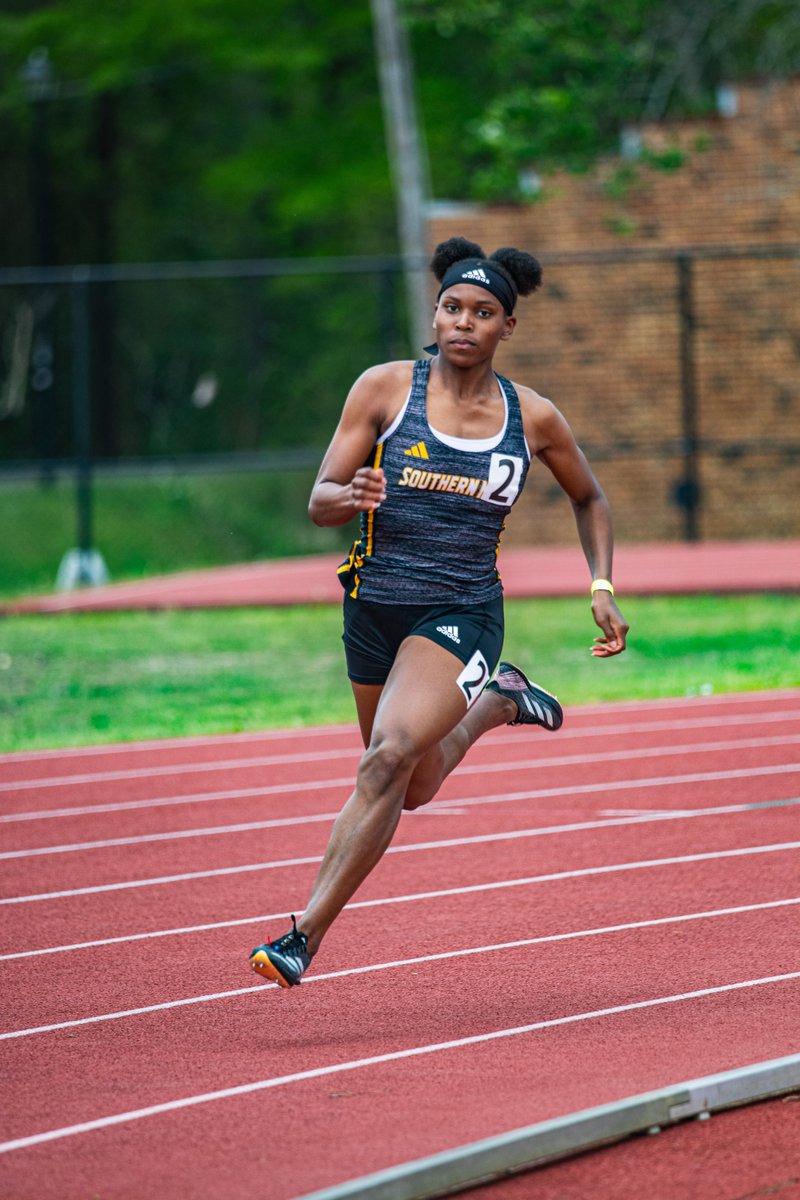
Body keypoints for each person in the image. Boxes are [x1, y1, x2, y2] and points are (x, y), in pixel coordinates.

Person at [249, 235, 629, 988]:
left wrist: (602, 585)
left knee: (385, 757)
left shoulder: (535, 417)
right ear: (436, 311)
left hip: (461, 611)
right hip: (373, 607)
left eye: (482, 312)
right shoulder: (386, 390)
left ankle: (303, 936)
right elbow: (320, 498)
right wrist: (348, 495)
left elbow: (590, 497)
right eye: (452, 307)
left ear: (506, 327)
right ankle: (498, 703)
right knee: (410, 787)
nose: (463, 322)